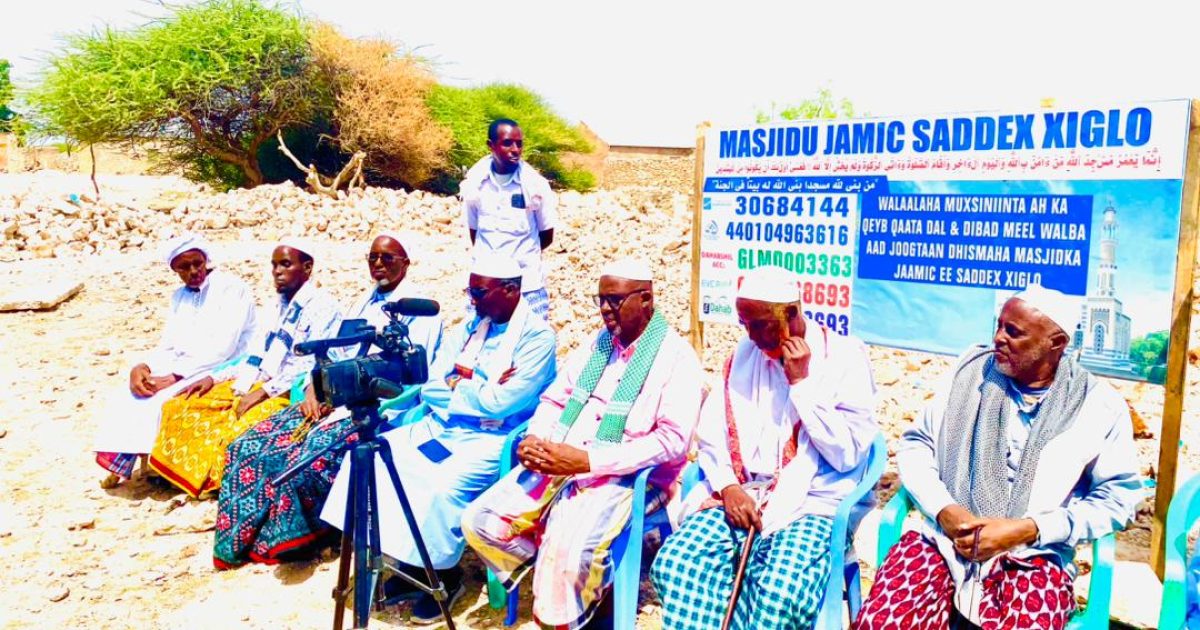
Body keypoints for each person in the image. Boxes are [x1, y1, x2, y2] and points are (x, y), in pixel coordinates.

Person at [856, 284, 1143, 630]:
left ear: (1056, 343)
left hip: (1035, 556)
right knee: (883, 618)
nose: (998, 338)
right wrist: (945, 510)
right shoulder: (970, 374)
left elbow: (1117, 499)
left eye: (1013, 332)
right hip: (944, 541)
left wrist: (1029, 529)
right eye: (998, 325)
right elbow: (917, 445)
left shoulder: (1098, 405)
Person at [462, 258, 703, 629]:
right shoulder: (598, 344)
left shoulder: (676, 358)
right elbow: (555, 400)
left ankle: (576, 603)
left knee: (570, 555)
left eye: (616, 300)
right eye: (601, 299)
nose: (606, 309)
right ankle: (564, 578)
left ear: (646, 299)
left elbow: (671, 442)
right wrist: (535, 439)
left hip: (631, 476)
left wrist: (588, 461)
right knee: (480, 521)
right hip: (564, 459)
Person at [320, 254, 558, 624]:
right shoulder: (470, 327)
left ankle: (443, 576)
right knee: (377, 459)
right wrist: (473, 390)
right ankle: (407, 563)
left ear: (511, 290)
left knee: (438, 485)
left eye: (479, 291)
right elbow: (431, 383)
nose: (472, 299)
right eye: (471, 290)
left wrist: (459, 387)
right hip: (442, 424)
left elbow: (503, 404)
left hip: (489, 440)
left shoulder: (537, 338)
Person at [651, 265, 878, 630]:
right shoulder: (745, 355)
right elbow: (712, 438)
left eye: (759, 325)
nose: (751, 336)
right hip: (745, 494)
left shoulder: (845, 357)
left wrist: (802, 385)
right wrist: (728, 488)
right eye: (744, 324)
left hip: (813, 503)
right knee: (677, 563)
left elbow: (847, 453)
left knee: (778, 591)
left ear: (790, 314)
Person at [214, 233, 443, 568]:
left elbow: (407, 374)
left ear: (406, 263)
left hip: (373, 406)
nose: (379, 264)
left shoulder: (419, 310)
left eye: (388, 258)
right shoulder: (360, 304)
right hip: (329, 398)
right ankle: (240, 541)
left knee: (298, 461)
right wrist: (314, 388)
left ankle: (292, 540)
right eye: (373, 257)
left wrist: (343, 396)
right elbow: (331, 352)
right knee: (247, 446)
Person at [148, 238, 342, 498]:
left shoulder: (323, 307)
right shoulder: (277, 307)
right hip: (255, 378)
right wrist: (213, 377)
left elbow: (313, 363)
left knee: (239, 427)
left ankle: (215, 484)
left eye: (285, 264)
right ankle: (182, 476)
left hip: (289, 390)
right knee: (181, 404)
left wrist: (262, 393)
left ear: (307, 268)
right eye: (274, 265)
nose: (277, 271)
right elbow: (254, 356)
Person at [94, 233, 257, 488]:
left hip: (223, 363)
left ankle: (160, 468)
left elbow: (223, 348)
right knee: (126, 394)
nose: (194, 271)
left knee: (161, 400)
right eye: (184, 267)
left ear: (206, 261)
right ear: (175, 270)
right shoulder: (179, 296)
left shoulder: (231, 289)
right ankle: (122, 466)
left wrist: (173, 377)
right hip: (184, 361)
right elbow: (169, 342)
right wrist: (143, 366)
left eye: (198, 264)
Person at [460, 118, 557, 320]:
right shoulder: (475, 186)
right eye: (507, 143)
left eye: (519, 144)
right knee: (474, 345)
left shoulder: (535, 186)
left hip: (526, 287)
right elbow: (474, 233)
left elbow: (545, 236)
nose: (515, 149)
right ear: (491, 145)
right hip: (484, 287)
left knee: (531, 346)